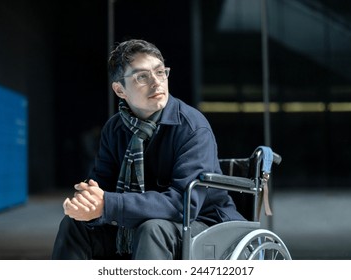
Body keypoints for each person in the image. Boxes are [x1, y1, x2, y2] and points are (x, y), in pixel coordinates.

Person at [51, 39, 245, 260]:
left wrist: (108, 204)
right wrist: (87, 202)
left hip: (202, 223)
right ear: (120, 90)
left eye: (160, 72)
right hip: (141, 225)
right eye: (142, 76)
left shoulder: (192, 127)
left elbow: (183, 206)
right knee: (74, 225)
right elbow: (102, 184)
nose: (156, 83)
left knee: (152, 229)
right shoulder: (114, 129)